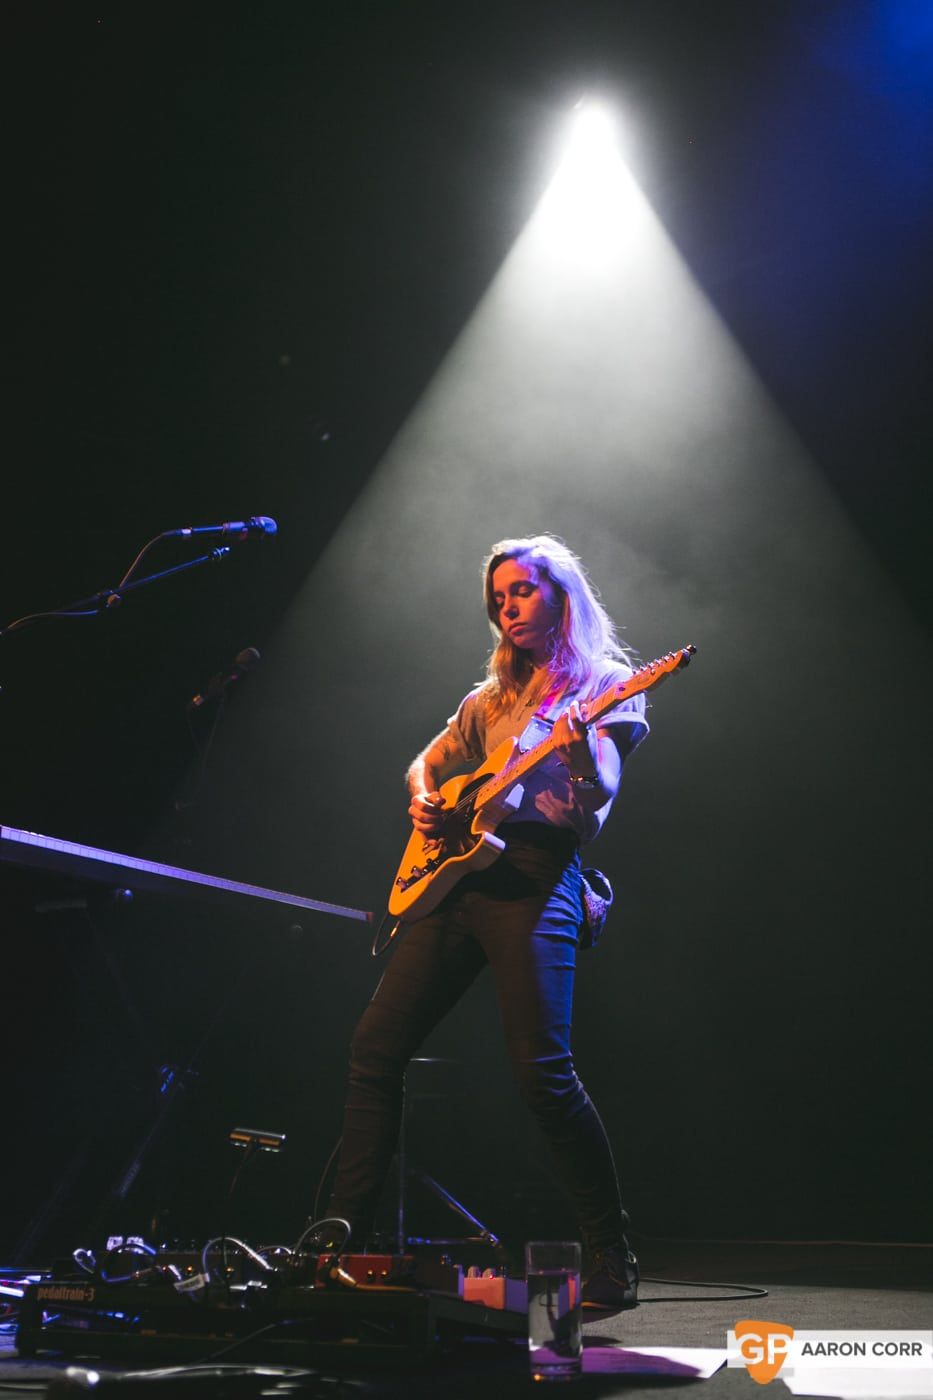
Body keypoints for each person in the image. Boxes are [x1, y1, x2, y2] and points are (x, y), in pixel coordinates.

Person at [325, 533, 649, 1313]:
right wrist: (421, 797)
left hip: (537, 879)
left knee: (541, 1073)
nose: (507, 607)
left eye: (522, 592)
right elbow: (426, 760)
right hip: (454, 884)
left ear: (560, 597)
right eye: (497, 596)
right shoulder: (488, 700)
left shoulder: (606, 683)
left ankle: (613, 1254)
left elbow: (594, 802)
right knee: (375, 1049)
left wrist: (575, 757)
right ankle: (334, 1241)